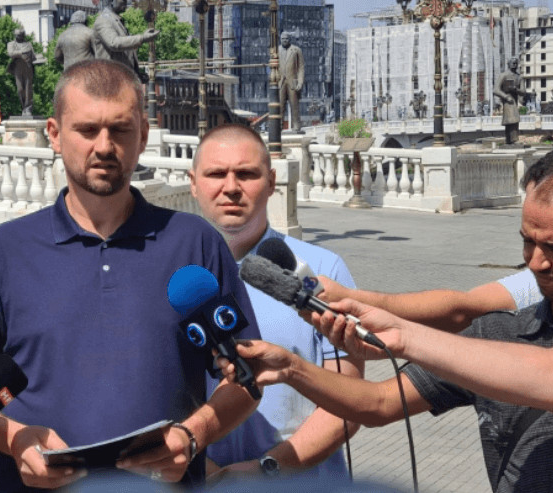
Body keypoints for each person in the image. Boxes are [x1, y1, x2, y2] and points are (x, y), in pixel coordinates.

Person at [0, 59, 261, 492]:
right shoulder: (4, 251)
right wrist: (14, 438)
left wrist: (193, 435)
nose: (104, 145)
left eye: (120, 129)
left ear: (143, 135)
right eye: (87, 129)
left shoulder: (195, 243)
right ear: (54, 134)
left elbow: (248, 376)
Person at [218, 154, 553, 492]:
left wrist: (402, 335)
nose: (535, 263)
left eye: (551, 246)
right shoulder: (497, 332)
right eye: (527, 241)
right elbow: (379, 402)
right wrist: (292, 369)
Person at [188, 124, 363, 481]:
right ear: (193, 183)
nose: (231, 187)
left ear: (271, 182)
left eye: (246, 174)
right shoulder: (174, 278)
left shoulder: (320, 272)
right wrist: (206, 474)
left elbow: (349, 402)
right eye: (216, 174)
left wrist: (266, 470)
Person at [315, 268, 541, 333]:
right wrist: (351, 298)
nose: (536, 262)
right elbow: (464, 309)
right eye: (528, 241)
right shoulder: (536, 282)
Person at [92, 0, 158, 83]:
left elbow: (127, 50)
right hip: (111, 80)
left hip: (121, 78)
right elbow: (114, 43)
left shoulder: (115, 20)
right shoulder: (103, 20)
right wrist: (142, 38)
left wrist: (136, 73)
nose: (126, 2)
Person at [494, 57, 531, 145]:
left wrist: (516, 89)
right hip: (507, 101)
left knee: (513, 119)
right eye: (513, 63)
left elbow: (523, 92)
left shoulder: (519, 77)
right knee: (511, 119)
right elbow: (495, 90)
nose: (514, 65)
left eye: (516, 63)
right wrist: (506, 97)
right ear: (508, 64)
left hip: (514, 100)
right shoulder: (503, 75)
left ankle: (510, 140)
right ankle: (512, 140)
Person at [7, 28, 37, 116]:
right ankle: (23, 106)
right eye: (17, 35)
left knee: (28, 89)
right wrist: (21, 52)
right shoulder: (11, 44)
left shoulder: (28, 44)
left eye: (20, 35)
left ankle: (28, 108)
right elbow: (10, 53)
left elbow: (33, 56)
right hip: (18, 68)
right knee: (20, 89)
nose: (18, 37)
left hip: (28, 67)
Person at [279, 33, 304, 132]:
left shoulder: (296, 50)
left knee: (294, 105)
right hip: (280, 82)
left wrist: (300, 82)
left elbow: (301, 68)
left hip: (293, 82)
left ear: (290, 39)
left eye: (286, 38)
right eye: (282, 38)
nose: (284, 40)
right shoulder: (276, 50)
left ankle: (296, 125)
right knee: (280, 106)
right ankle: (279, 126)